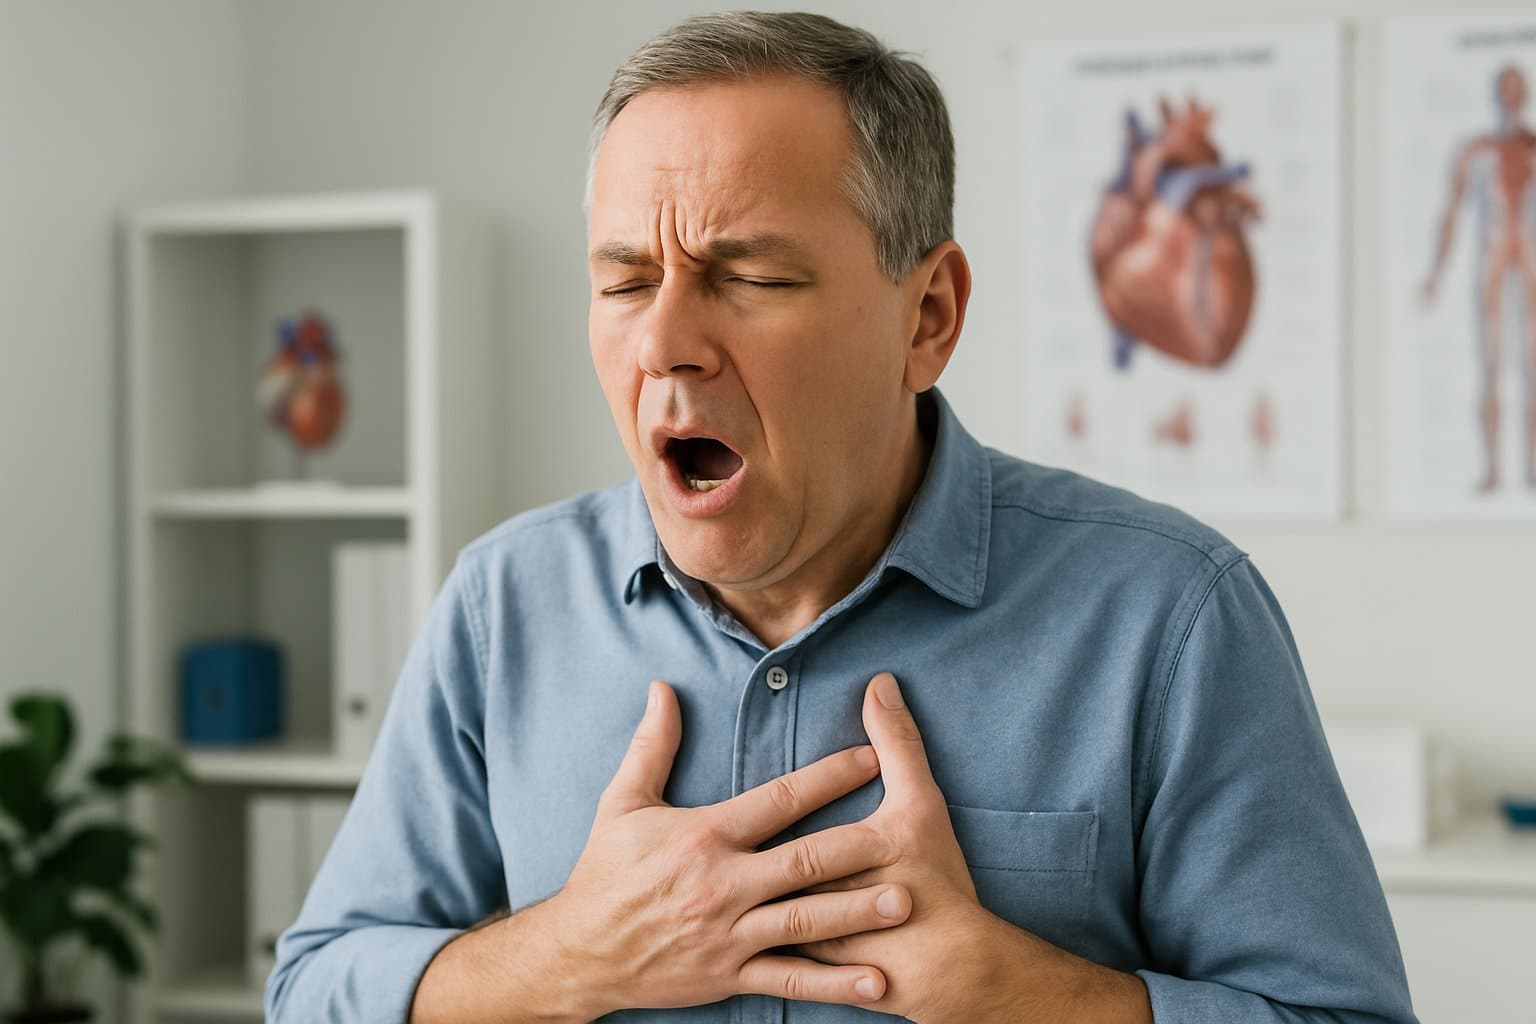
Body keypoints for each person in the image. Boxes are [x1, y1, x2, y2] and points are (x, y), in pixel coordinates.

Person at [265, 11, 1418, 1023]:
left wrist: (1017, 995)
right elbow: (315, 987)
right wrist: (570, 955)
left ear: (928, 315)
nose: (663, 341)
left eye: (753, 276)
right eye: (624, 280)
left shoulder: (1172, 618)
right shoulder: (499, 608)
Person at [1420, 63, 1536, 492]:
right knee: (1490, 366)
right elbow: (1451, 212)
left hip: (1527, 256)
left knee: (1532, 365)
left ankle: (1529, 469)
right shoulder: (1477, 150)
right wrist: (1435, 273)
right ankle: (1493, 467)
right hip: (1493, 256)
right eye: (1506, 87)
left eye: (1517, 87)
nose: (1512, 94)